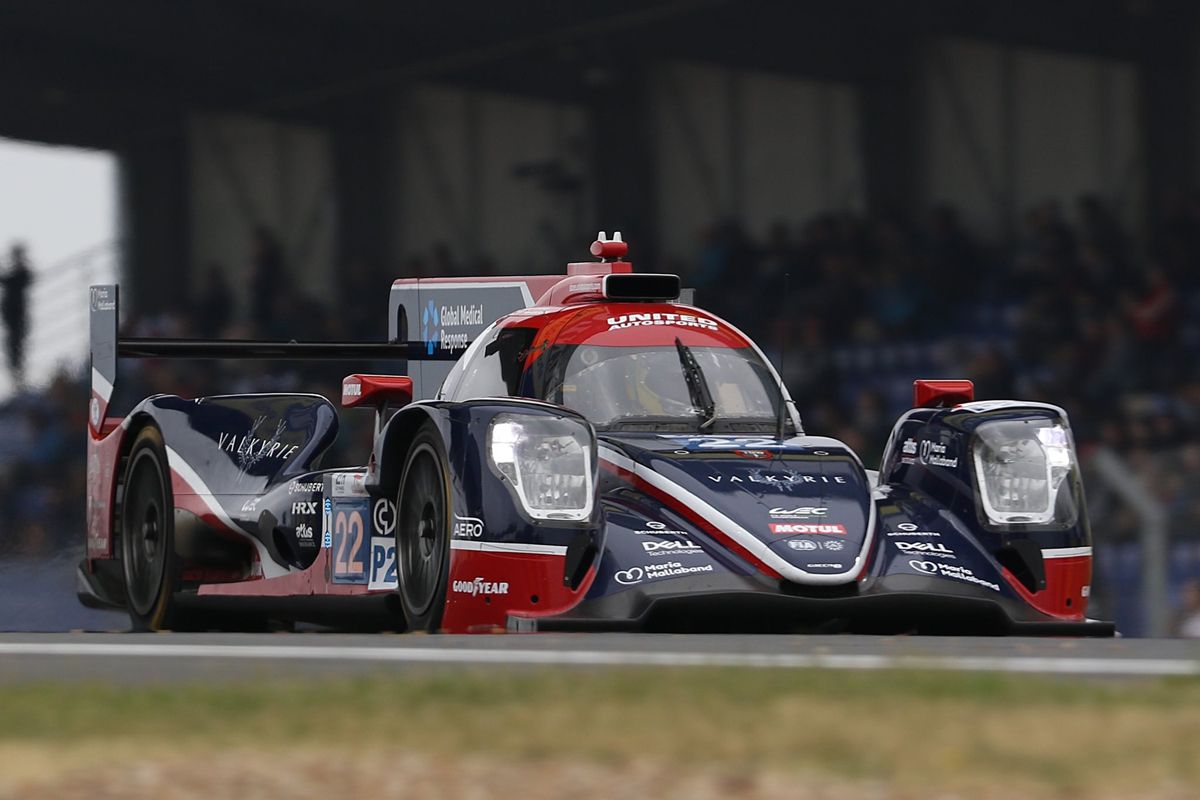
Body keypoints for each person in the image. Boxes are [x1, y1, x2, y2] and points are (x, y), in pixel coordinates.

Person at [0, 243, 33, 387]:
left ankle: (18, 377)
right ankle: (16, 376)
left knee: (17, 346)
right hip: (11, 314)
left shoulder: (22, 271)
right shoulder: (17, 271)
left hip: (18, 314)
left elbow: (17, 279)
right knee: (13, 347)